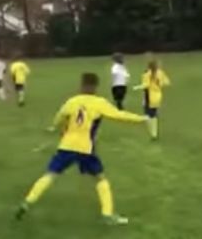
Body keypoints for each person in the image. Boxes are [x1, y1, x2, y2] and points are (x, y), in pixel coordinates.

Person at [15, 73, 148, 225]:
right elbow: (119, 115)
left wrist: (55, 128)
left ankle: (27, 202)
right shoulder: (99, 103)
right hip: (85, 148)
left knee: (50, 175)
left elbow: (59, 117)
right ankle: (107, 215)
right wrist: (141, 118)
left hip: (66, 145)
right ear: (95, 87)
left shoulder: (72, 101)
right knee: (101, 178)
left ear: (82, 85)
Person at [133, 57, 170, 140]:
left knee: (148, 114)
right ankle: (154, 132)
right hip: (157, 96)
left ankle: (153, 133)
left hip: (149, 96)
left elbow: (145, 85)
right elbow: (167, 82)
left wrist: (136, 87)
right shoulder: (160, 73)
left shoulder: (147, 74)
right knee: (154, 114)